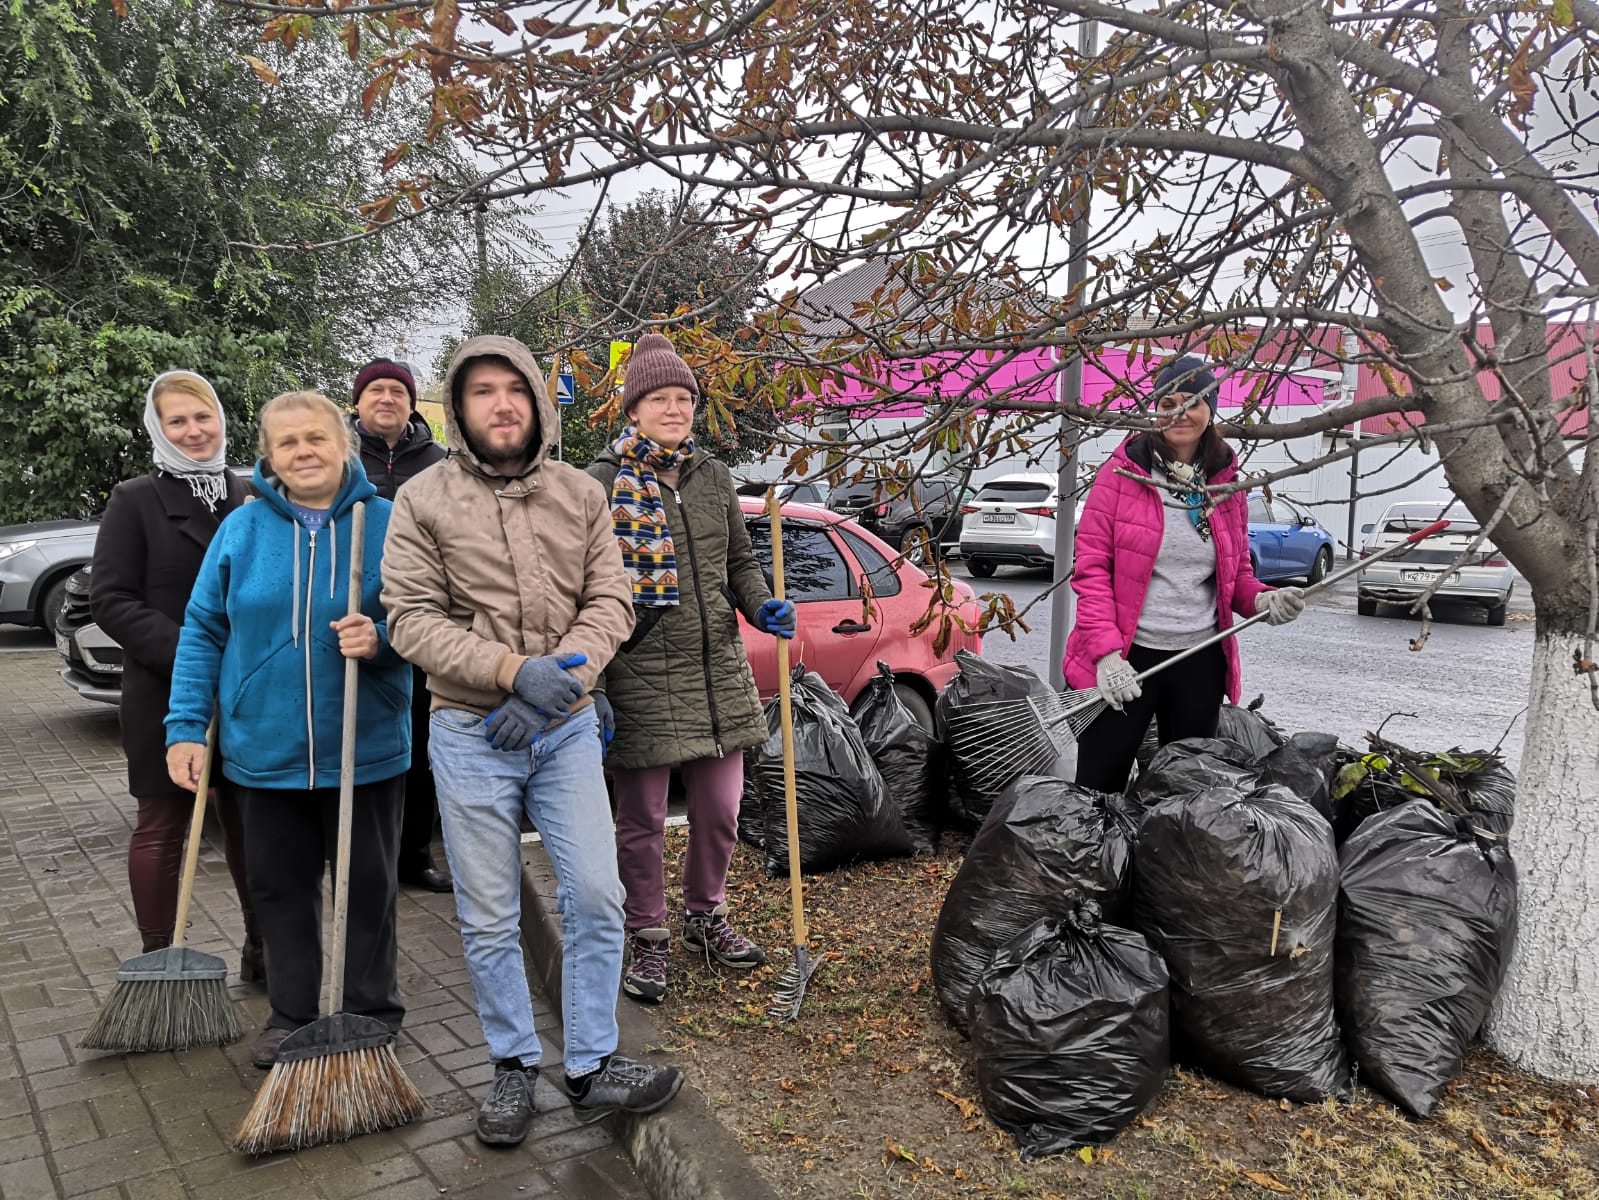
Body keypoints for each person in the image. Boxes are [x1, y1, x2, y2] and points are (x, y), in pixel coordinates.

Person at [382, 334, 683, 1148]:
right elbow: (409, 618)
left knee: (594, 894)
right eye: (481, 392)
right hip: (468, 732)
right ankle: (512, 1066)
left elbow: (611, 598)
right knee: (487, 916)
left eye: (512, 389)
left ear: (537, 402)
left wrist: (563, 681)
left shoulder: (578, 494)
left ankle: (589, 1065)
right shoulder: (423, 500)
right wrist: (513, 671)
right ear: (458, 408)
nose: (501, 405)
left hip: (566, 730)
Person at [165, 390, 411, 1070]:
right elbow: (203, 631)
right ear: (269, 456)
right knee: (279, 889)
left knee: (368, 888)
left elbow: (432, 619)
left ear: (342, 444)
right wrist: (185, 727)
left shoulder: (389, 523)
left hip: (364, 748)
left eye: (315, 438)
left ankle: (370, 1007)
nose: (303, 451)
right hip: (264, 750)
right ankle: (292, 1011)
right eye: (287, 442)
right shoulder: (241, 531)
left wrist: (384, 637)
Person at [585, 333, 795, 1005]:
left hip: (716, 672)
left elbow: (739, 562)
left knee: (720, 810)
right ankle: (646, 937)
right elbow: (581, 584)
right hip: (639, 670)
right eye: (659, 398)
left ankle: (707, 915)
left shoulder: (712, 478)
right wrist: (590, 682)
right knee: (642, 820)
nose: (674, 409)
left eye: (683, 398)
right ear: (633, 408)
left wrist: (764, 606)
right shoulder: (601, 481)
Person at [1064, 356, 1305, 794]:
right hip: (1127, 657)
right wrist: (1105, 656)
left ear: (1210, 409)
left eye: (1192, 402)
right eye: (1168, 401)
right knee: (1099, 785)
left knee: (1188, 790)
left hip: (1199, 659)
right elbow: (1092, 571)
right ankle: (1098, 863)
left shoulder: (1226, 485)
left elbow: (1237, 575)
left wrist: (1264, 600)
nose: (1179, 412)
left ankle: (1163, 863)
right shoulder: (1122, 476)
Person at [90, 370, 257, 974]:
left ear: (220, 419)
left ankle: (262, 949)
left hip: (248, 692)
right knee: (163, 821)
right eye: (177, 421)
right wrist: (193, 650)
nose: (193, 431)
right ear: (157, 430)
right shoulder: (134, 499)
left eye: (202, 416)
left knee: (251, 825)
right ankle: (156, 958)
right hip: (167, 691)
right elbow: (109, 599)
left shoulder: (251, 496)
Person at [349, 357, 452, 894]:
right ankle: (357, 856)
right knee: (357, 738)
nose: (386, 399)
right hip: (353, 620)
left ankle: (412, 855)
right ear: (358, 400)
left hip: (423, 619)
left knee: (417, 747)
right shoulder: (338, 458)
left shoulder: (439, 462)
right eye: (376, 391)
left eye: (397, 391)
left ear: (412, 403)